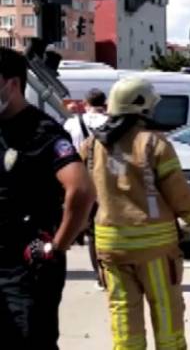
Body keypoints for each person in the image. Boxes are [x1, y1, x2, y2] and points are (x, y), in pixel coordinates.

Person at [81, 77, 190, 349]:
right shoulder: (154, 144)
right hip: (155, 249)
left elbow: (81, 191)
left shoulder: (91, 145)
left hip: (110, 247)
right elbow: (180, 195)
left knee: (123, 315)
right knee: (165, 312)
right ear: (142, 107)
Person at [0, 47, 96, 348]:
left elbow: (82, 190)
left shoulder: (41, 131)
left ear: (12, 84)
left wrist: (57, 246)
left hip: (27, 267)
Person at [63, 89, 108, 289]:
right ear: (104, 103)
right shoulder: (109, 123)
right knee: (105, 227)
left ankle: (98, 274)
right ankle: (108, 272)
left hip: (78, 178)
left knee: (91, 230)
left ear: (85, 103)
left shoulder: (72, 123)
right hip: (104, 181)